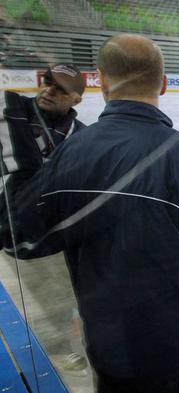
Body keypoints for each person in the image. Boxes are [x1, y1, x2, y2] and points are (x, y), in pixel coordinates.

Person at [35, 34, 179, 391]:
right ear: (163, 84)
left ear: (101, 80)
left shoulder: (68, 154)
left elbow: (21, 237)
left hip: (109, 349)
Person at [0, 64, 88, 372]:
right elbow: (23, 167)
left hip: (51, 236)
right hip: (8, 225)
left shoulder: (83, 137)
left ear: (76, 99)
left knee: (57, 296)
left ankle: (61, 346)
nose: (49, 90)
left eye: (60, 88)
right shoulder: (12, 108)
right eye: (48, 82)